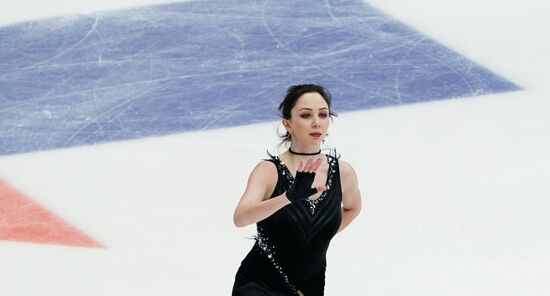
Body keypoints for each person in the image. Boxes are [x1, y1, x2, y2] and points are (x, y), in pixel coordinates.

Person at [232, 84, 362, 295]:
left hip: (311, 286)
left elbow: (353, 208)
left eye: (323, 114)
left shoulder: (342, 172)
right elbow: (240, 218)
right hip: (259, 284)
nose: (316, 122)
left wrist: (315, 238)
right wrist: (288, 197)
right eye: (305, 115)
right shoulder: (268, 171)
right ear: (288, 123)